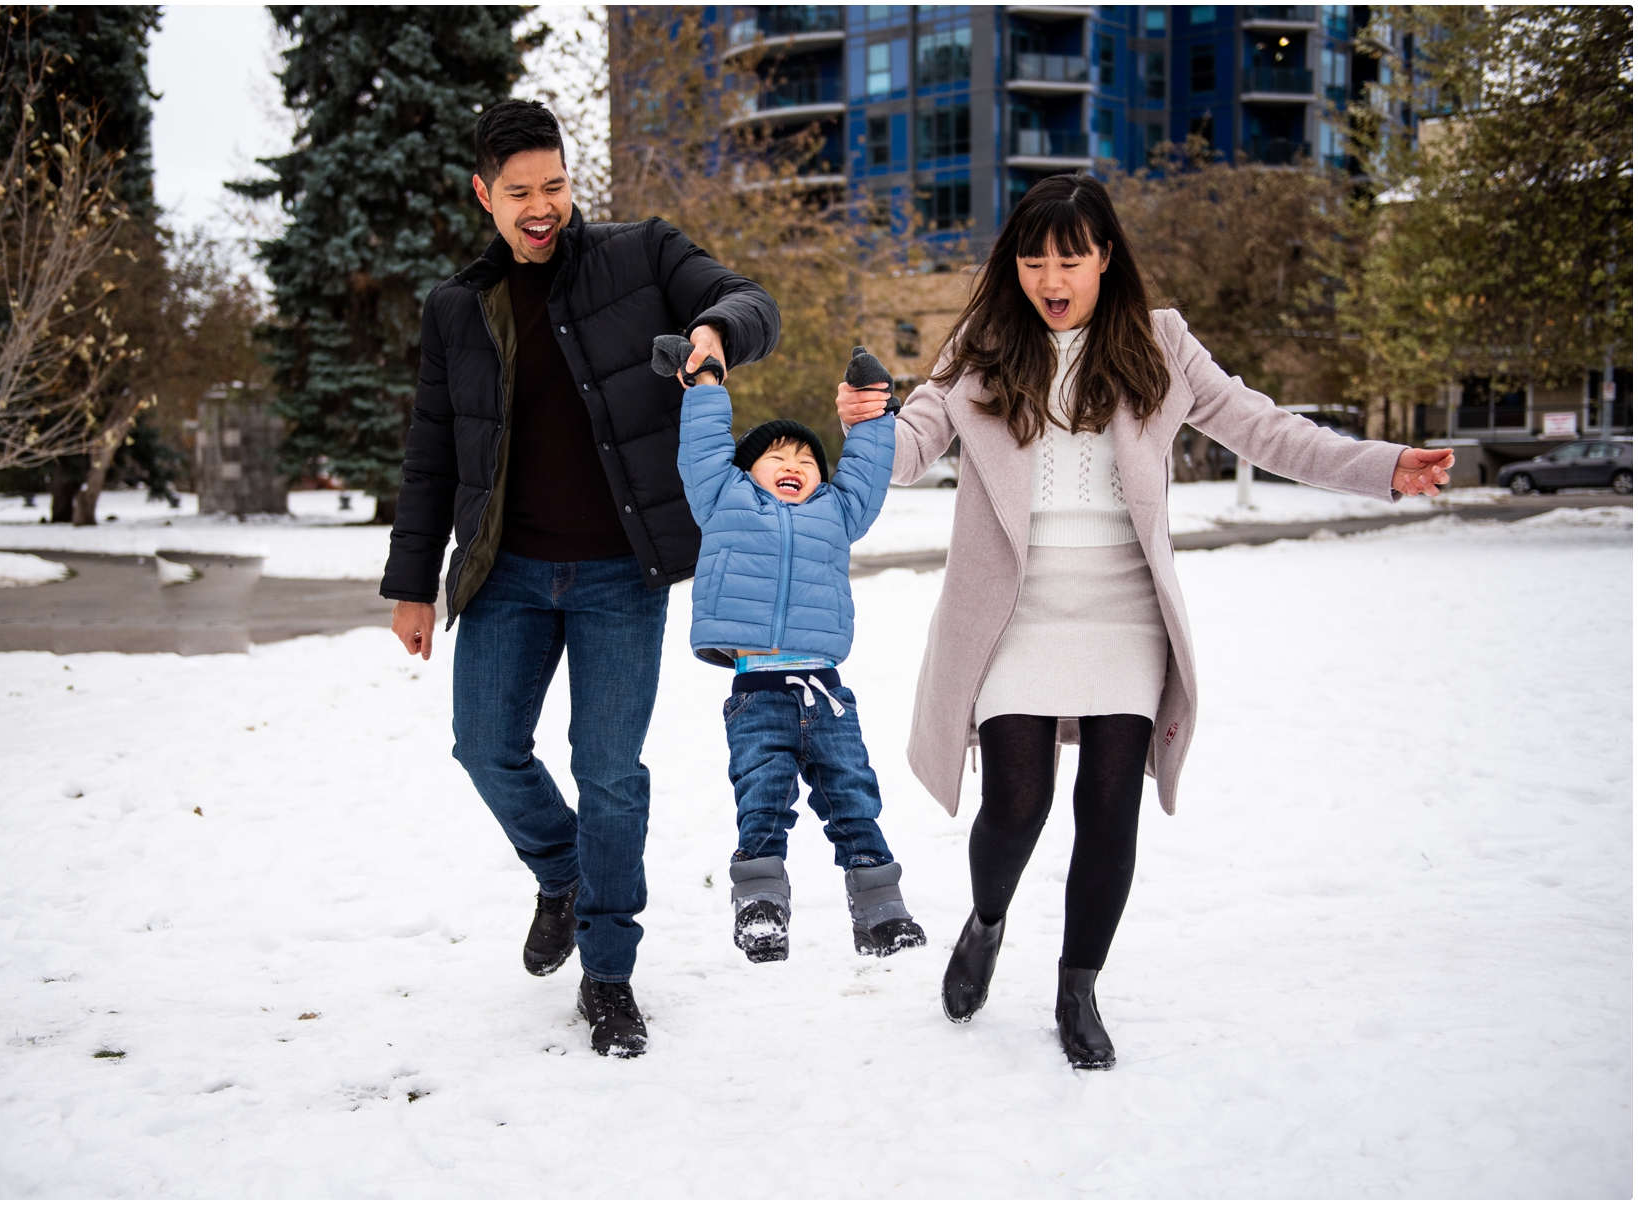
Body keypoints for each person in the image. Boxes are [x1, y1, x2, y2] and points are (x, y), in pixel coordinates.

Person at [834, 174, 1453, 1070]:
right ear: (1014, 264)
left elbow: (1267, 430)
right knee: (1016, 802)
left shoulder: (1160, 344)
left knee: (1110, 808)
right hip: (1014, 609)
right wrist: (867, 423)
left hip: (1124, 610)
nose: (1052, 275)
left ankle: (1078, 983)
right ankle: (989, 916)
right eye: (1034, 256)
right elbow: (913, 441)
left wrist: (1385, 466)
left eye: (1071, 257)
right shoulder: (983, 345)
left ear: (1105, 258)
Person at [381, 100, 781, 1059]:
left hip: (617, 574)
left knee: (610, 775)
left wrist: (717, 334)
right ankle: (559, 872)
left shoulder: (641, 255)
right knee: (484, 747)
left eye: (554, 186)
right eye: (518, 192)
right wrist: (410, 580)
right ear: (483, 195)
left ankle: (608, 973)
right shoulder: (456, 308)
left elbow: (751, 302)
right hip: (507, 571)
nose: (541, 207)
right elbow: (432, 451)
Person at [660, 339, 927, 965]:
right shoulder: (723, 502)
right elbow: (701, 454)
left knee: (854, 797)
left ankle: (882, 913)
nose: (794, 462)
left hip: (826, 691)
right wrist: (704, 387)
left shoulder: (837, 512)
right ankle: (760, 910)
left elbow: (863, 468)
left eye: (806, 457)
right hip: (757, 693)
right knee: (763, 798)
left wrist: (869, 416)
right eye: (776, 455)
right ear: (744, 469)